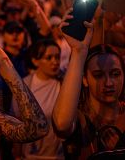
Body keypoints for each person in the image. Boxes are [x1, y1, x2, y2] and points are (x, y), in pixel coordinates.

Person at [52, 9, 125, 159]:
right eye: (98, 75)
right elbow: (61, 124)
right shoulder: (80, 120)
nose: (109, 83)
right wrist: (79, 52)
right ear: (84, 79)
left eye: (115, 74)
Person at [15, 39, 64, 159]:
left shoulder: (64, 83)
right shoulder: (24, 85)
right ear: (35, 61)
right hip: (30, 156)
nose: (55, 62)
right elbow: (17, 122)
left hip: (58, 155)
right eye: (49, 58)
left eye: (57, 57)